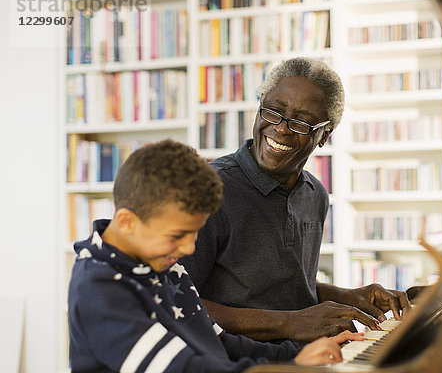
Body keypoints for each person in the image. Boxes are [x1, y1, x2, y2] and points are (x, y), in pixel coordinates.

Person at [67, 139, 363, 373]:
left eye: (194, 233)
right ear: (128, 222)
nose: (188, 249)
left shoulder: (161, 261)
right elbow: (186, 369)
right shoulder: (99, 288)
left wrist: (298, 356)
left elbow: (219, 343)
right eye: (177, 235)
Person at [180, 57, 412, 344]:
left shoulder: (315, 195)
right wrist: (290, 323)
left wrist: (350, 296)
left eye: (302, 122)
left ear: (324, 135)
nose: (281, 128)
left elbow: (286, 287)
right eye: (273, 111)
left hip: (305, 356)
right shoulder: (207, 190)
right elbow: (177, 303)